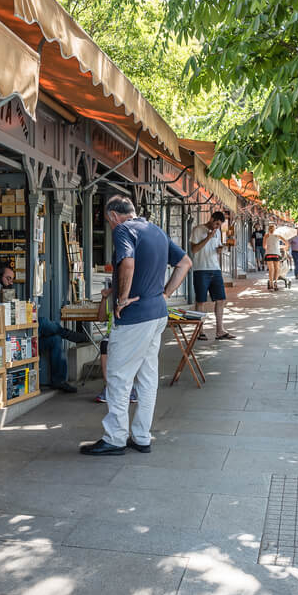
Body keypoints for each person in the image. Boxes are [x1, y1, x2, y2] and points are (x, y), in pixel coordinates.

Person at [80, 195, 191, 456]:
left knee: (118, 377)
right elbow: (185, 263)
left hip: (134, 317)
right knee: (147, 377)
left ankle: (115, 438)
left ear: (113, 216)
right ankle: (141, 436)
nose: (110, 226)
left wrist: (121, 298)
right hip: (157, 313)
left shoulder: (123, 230)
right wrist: (165, 294)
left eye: (109, 222)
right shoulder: (156, 230)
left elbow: (127, 262)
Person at [189, 211, 234, 340]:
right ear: (212, 219)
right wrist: (208, 237)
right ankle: (200, 331)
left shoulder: (218, 232)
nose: (216, 227)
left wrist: (220, 250)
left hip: (215, 269)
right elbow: (194, 249)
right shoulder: (198, 230)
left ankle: (220, 330)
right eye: (216, 223)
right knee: (201, 301)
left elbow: (216, 248)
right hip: (201, 269)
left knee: (221, 300)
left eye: (219, 225)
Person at [93, 285, 138, 404]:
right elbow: (101, 318)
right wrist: (104, 298)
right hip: (112, 334)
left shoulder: (132, 295)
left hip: (129, 333)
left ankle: (130, 388)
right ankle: (109, 387)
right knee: (104, 345)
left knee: (129, 347)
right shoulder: (111, 299)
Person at [37, 317, 90, 393]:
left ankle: (59, 381)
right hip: (20, 337)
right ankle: (66, 333)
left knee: (56, 339)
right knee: (42, 321)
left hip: (34, 337)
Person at [264, 224, 285, 291]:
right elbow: (286, 242)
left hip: (269, 253)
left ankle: (271, 284)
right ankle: (275, 282)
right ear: (275, 229)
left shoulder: (266, 235)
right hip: (276, 254)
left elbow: (264, 246)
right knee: (277, 269)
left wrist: (269, 247)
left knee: (271, 270)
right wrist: (283, 247)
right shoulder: (278, 235)